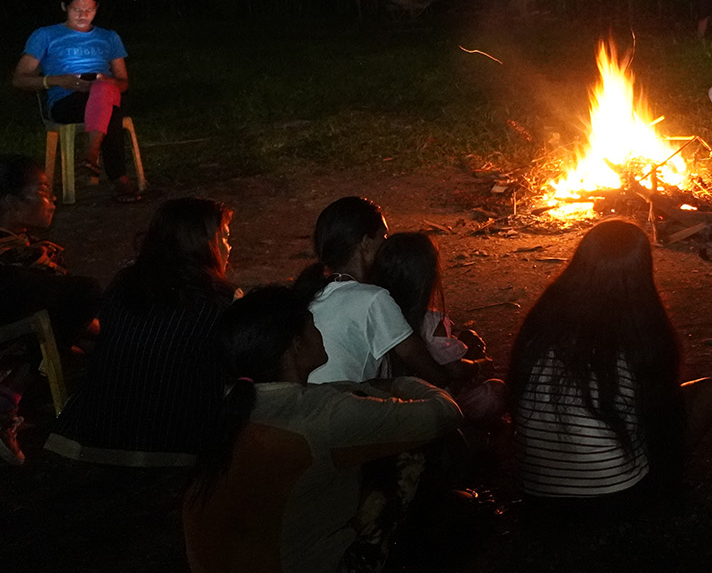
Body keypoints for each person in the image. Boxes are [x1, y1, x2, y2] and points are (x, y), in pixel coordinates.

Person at [183, 286, 462, 573]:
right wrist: (403, 382)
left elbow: (333, 392)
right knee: (413, 457)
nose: (320, 332)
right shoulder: (322, 415)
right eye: (313, 325)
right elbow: (444, 413)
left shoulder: (234, 407)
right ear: (295, 346)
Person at [508, 219, 712, 508]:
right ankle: (661, 489)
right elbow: (660, 418)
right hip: (620, 496)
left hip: (537, 498)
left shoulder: (542, 319)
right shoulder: (639, 334)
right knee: (708, 392)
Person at [45, 198, 238, 466]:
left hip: (91, 433)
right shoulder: (221, 299)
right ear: (204, 243)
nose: (229, 247)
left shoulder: (125, 283)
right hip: (177, 443)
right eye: (225, 238)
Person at [292, 197, 472, 388]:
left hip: (310, 403)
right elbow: (429, 369)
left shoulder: (314, 289)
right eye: (384, 237)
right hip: (342, 406)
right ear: (366, 243)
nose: (387, 244)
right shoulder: (372, 298)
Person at [0, 154, 102, 465]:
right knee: (83, 293)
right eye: (43, 191)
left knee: (86, 327)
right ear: (11, 202)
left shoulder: (33, 253)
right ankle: (6, 397)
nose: (53, 199)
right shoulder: (12, 264)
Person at [10, 0, 141, 200]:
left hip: (105, 95)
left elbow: (123, 82)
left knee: (104, 91)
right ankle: (118, 178)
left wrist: (104, 82)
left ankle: (91, 152)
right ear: (64, 7)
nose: (83, 15)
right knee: (109, 107)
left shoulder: (109, 37)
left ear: (96, 9)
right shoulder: (45, 35)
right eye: (76, 10)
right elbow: (19, 79)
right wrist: (57, 81)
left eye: (89, 10)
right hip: (66, 101)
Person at [368, 231, 505, 423]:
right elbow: (453, 371)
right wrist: (479, 365)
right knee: (495, 391)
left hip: (382, 405)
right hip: (429, 410)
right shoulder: (429, 321)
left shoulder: (371, 314)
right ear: (426, 279)